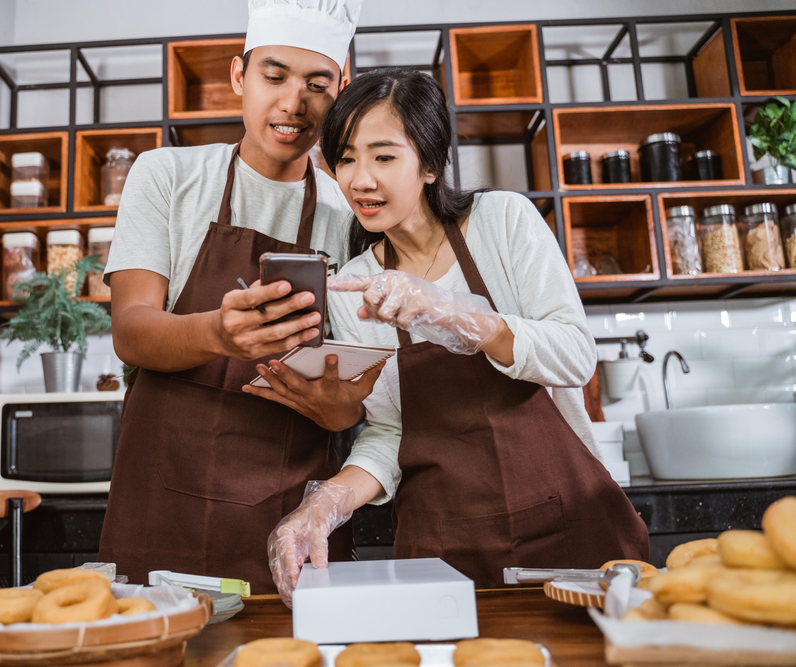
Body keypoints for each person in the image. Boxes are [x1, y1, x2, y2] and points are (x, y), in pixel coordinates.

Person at [264, 68, 649, 603]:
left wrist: (457, 315)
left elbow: (574, 358)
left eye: (384, 155)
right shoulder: (356, 284)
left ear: (429, 162)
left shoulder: (502, 220)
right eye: (346, 158)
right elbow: (391, 433)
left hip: (566, 528)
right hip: (443, 548)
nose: (360, 179)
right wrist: (325, 504)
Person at [96, 0, 378, 594]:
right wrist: (217, 334)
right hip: (161, 500)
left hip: (287, 515)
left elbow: (353, 403)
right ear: (238, 76)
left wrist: (338, 408)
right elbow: (131, 330)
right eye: (273, 77)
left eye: (317, 85)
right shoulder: (166, 177)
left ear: (342, 91)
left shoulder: (350, 213)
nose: (292, 104)